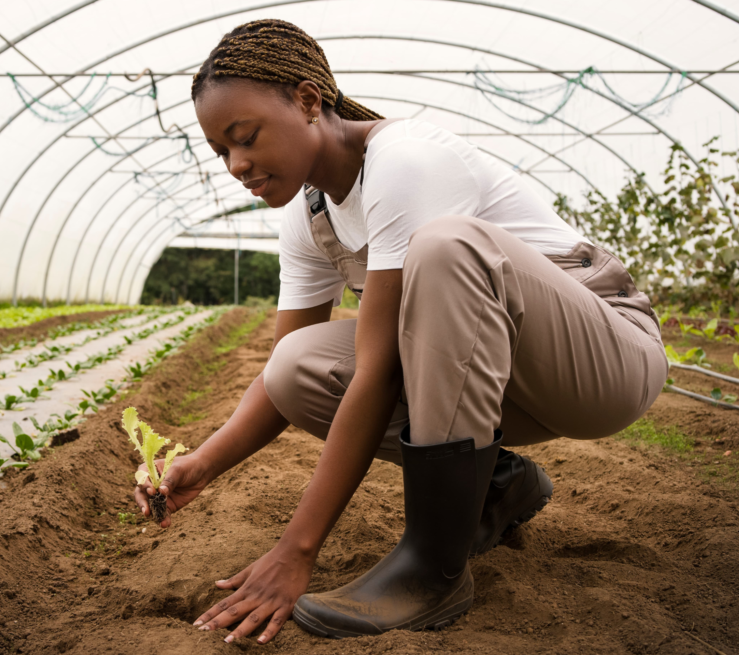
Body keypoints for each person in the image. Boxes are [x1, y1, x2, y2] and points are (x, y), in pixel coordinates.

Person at [133, 18, 668, 645]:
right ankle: (494, 486)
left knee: (445, 248)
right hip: (505, 383)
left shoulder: (405, 160)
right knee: (296, 365)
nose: (236, 164)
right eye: (220, 152)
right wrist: (203, 463)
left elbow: (380, 368)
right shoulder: (310, 214)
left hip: (605, 363)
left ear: (308, 101)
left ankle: (433, 568)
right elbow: (281, 375)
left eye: (245, 138)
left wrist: (296, 551)